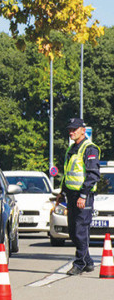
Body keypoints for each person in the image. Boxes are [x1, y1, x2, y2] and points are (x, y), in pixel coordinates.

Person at [61, 117, 100, 275]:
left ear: (83, 130)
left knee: (80, 230)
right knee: (72, 231)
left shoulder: (89, 149)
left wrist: (83, 195)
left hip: (84, 195)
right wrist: (61, 192)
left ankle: (79, 263)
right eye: (70, 129)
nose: (71, 132)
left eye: (74, 129)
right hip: (71, 194)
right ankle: (88, 262)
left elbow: (93, 175)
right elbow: (67, 173)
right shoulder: (72, 148)